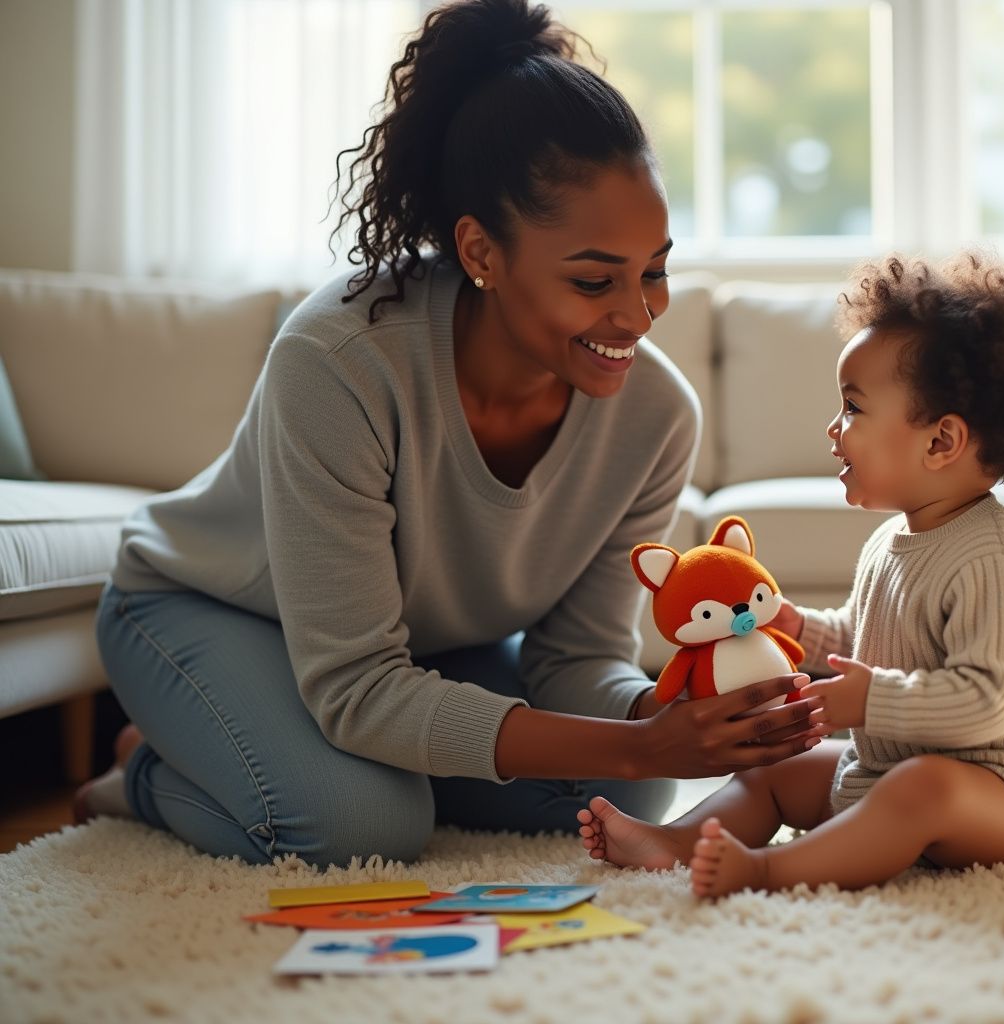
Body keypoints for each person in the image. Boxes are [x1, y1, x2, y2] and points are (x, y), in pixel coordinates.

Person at [76, 0, 824, 867]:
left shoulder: (656, 418)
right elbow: (357, 686)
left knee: (628, 790)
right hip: (206, 611)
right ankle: (142, 771)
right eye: (594, 281)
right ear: (481, 252)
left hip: (418, 652)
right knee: (360, 826)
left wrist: (665, 719)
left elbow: (578, 657)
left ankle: (280, 761)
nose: (639, 314)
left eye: (654, 270)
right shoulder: (342, 361)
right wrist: (634, 744)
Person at [577, 252, 1004, 897]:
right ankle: (676, 842)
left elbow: (988, 702)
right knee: (777, 766)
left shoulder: (990, 561)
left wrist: (869, 700)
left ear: (941, 443)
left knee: (919, 789)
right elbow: (866, 638)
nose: (833, 429)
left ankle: (768, 870)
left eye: (852, 408)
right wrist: (801, 627)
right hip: (889, 766)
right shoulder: (893, 538)